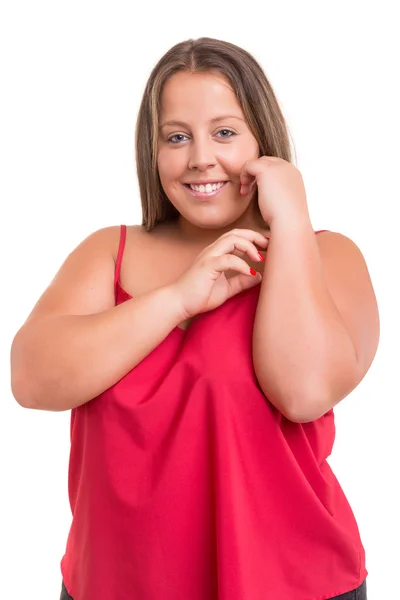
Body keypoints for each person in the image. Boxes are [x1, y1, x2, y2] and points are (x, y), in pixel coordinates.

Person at [10, 37, 378, 600]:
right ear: (152, 154)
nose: (200, 156)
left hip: (295, 585)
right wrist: (177, 299)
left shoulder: (327, 256)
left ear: (264, 142)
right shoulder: (108, 252)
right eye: (176, 137)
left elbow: (304, 393)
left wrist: (291, 219)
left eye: (225, 132)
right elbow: (31, 381)